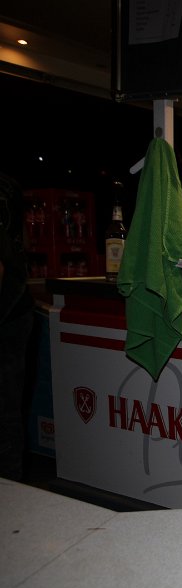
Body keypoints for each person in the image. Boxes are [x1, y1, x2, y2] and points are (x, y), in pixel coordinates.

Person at [0, 172, 34, 481]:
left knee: (5, 411)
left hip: (8, 310)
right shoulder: (7, 184)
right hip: (16, 304)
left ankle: (9, 489)